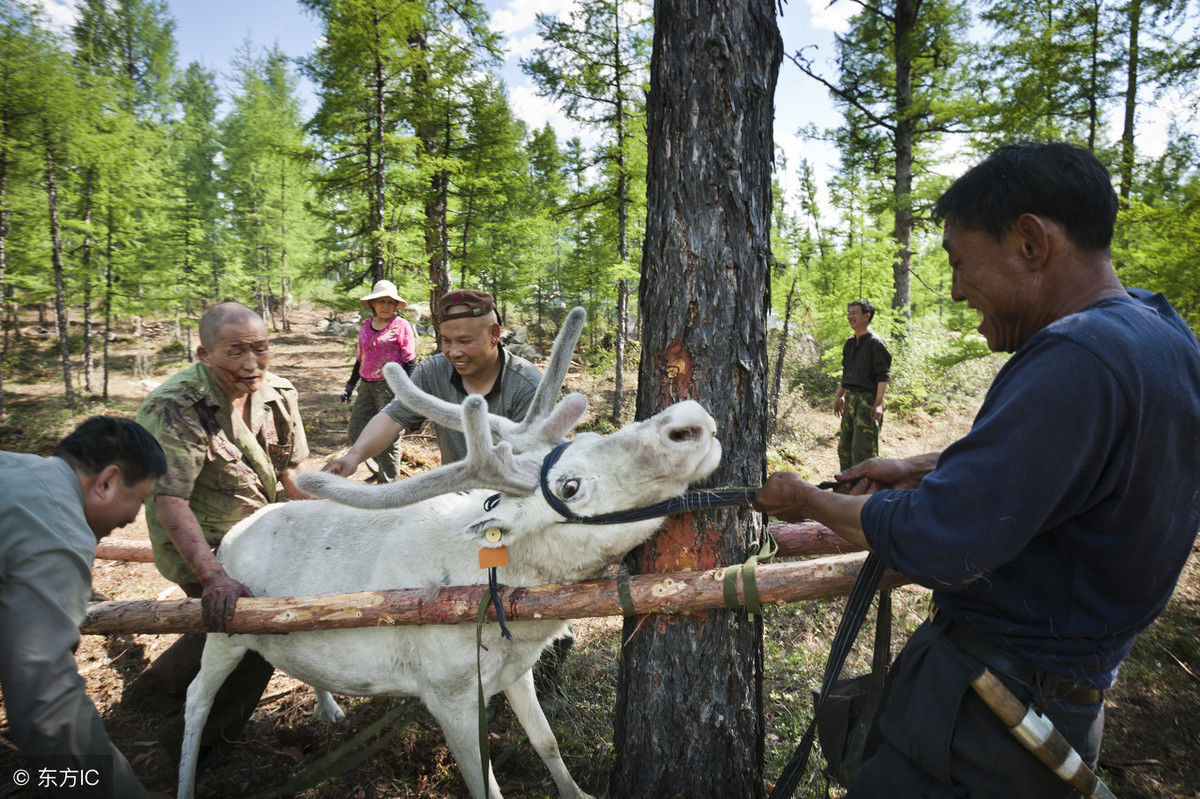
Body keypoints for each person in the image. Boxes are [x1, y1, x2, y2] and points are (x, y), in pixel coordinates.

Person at [755, 141, 1200, 798]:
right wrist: (914, 464)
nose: (958, 289)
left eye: (960, 263)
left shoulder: (1078, 356)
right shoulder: (1160, 335)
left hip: (985, 727)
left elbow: (939, 538)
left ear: (1030, 243)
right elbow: (1070, 468)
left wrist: (807, 500)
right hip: (1049, 711)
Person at [124, 301, 310, 756]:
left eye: (261, 349)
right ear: (204, 354)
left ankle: (157, 691)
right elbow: (169, 499)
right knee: (252, 636)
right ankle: (192, 752)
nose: (251, 364)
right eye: (236, 352)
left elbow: (294, 475)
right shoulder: (175, 407)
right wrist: (214, 576)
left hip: (263, 537)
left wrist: (326, 526)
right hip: (202, 546)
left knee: (224, 630)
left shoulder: (279, 393)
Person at [0, 416, 166, 798]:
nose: (132, 519)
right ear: (106, 482)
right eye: (140, 500)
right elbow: (46, 708)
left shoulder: (20, 470)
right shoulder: (57, 528)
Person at [324, 288, 541, 473]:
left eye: (465, 341)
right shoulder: (435, 371)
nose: (453, 352)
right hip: (455, 499)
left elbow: (533, 462)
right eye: (446, 341)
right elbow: (393, 417)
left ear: (494, 334)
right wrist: (353, 457)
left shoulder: (527, 385)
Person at [339, 279, 418, 484]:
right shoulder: (366, 325)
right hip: (366, 386)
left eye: (390, 302)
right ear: (372, 304)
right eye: (381, 301)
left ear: (395, 306)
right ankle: (377, 468)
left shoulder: (401, 326)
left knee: (389, 439)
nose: (385, 306)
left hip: (391, 388)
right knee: (356, 430)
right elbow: (360, 359)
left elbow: (410, 361)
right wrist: (349, 387)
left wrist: (408, 395)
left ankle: (389, 486)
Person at [833, 298, 890, 471]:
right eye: (849, 313)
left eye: (855, 313)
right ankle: (846, 487)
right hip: (850, 399)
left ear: (867, 316)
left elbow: (883, 376)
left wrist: (878, 404)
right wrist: (839, 395)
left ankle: (865, 492)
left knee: (863, 451)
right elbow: (847, 371)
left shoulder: (876, 344)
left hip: (867, 401)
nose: (851, 317)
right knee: (844, 448)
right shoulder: (850, 344)